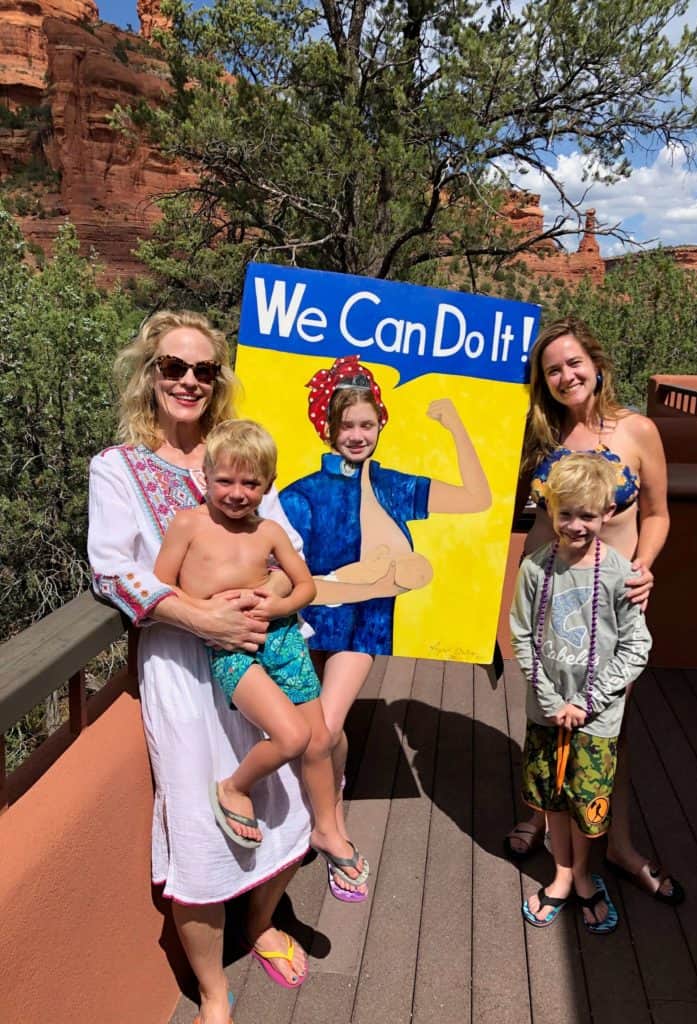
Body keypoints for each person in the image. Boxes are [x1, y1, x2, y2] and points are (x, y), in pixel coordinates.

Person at [88, 312, 309, 1024]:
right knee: (194, 812)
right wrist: (200, 617)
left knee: (281, 795)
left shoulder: (236, 455)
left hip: (259, 654)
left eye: (203, 369)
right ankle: (214, 991)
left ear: (218, 381)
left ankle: (263, 923)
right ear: (150, 376)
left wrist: (260, 602)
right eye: (174, 367)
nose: (188, 380)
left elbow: (288, 546)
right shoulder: (117, 469)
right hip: (182, 668)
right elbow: (113, 570)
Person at [280, 354, 491, 900]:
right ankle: (332, 788)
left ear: (381, 425)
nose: (357, 435)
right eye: (347, 425)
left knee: (320, 730)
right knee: (326, 731)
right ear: (328, 428)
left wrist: (455, 425)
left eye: (366, 424)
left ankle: (332, 831)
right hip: (303, 623)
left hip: (361, 626)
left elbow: (477, 498)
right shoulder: (300, 494)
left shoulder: (392, 486)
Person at [504, 316, 684, 905]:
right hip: (548, 598)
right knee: (543, 717)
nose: (565, 376)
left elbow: (656, 513)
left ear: (596, 362)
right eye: (552, 368)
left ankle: (619, 844)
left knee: (609, 729)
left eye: (573, 362)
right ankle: (541, 817)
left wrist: (644, 567)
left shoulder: (637, 430)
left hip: (609, 609)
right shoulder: (537, 434)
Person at [153, 418, 369, 896]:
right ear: (205, 477)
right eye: (225, 480)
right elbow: (161, 586)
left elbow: (305, 584)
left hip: (285, 640)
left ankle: (326, 828)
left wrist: (279, 604)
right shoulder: (188, 523)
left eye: (250, 483)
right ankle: (234, 786)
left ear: (267, 484)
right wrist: (203, 611)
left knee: (319, 740)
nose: (236, 493)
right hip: (235, 649)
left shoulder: (268, 531)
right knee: (291, 737)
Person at [510, 453, 652, 932]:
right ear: (550, 511)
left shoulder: (622, 574)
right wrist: (552, 702)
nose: (575, 524)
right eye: (565, 513)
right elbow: (522, 636)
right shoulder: (535, 569)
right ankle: (563, 875)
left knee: (586, 803)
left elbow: (636, 647)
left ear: (606, 515)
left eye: (587, 515)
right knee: (551, 795)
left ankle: (585, 873)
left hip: (596, 716)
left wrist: (588, 701)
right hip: (547, 712)